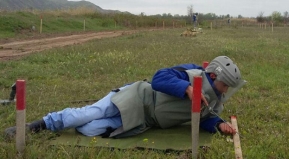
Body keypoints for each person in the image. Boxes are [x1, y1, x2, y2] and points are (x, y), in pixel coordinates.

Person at [5, 56, 245, 138]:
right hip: (135, 96)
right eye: (225, 85)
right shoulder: (192, 73)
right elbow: (159, 77)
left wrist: (218, 124)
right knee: (90, 113)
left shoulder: (214, 100)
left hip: (143, 119)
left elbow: (203, 118)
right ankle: (39, 125)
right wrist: (185, 88)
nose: (226, 91)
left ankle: (69, 122)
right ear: (214, 75)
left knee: (88, 130)